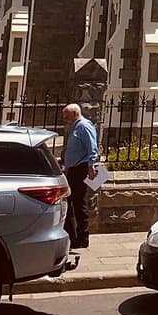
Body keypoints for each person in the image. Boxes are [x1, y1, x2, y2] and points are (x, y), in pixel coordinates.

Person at [62, 102, 98, 250]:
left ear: (75, 113)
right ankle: (73, 235)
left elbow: (92, 146)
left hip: (81, 169)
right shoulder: (76, 126)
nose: (65, 119)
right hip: (74, 169)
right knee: (71, 201)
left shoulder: (84, 126)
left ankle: (82, 237)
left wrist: (91, 165)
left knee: (78, 202)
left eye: (66, 116)